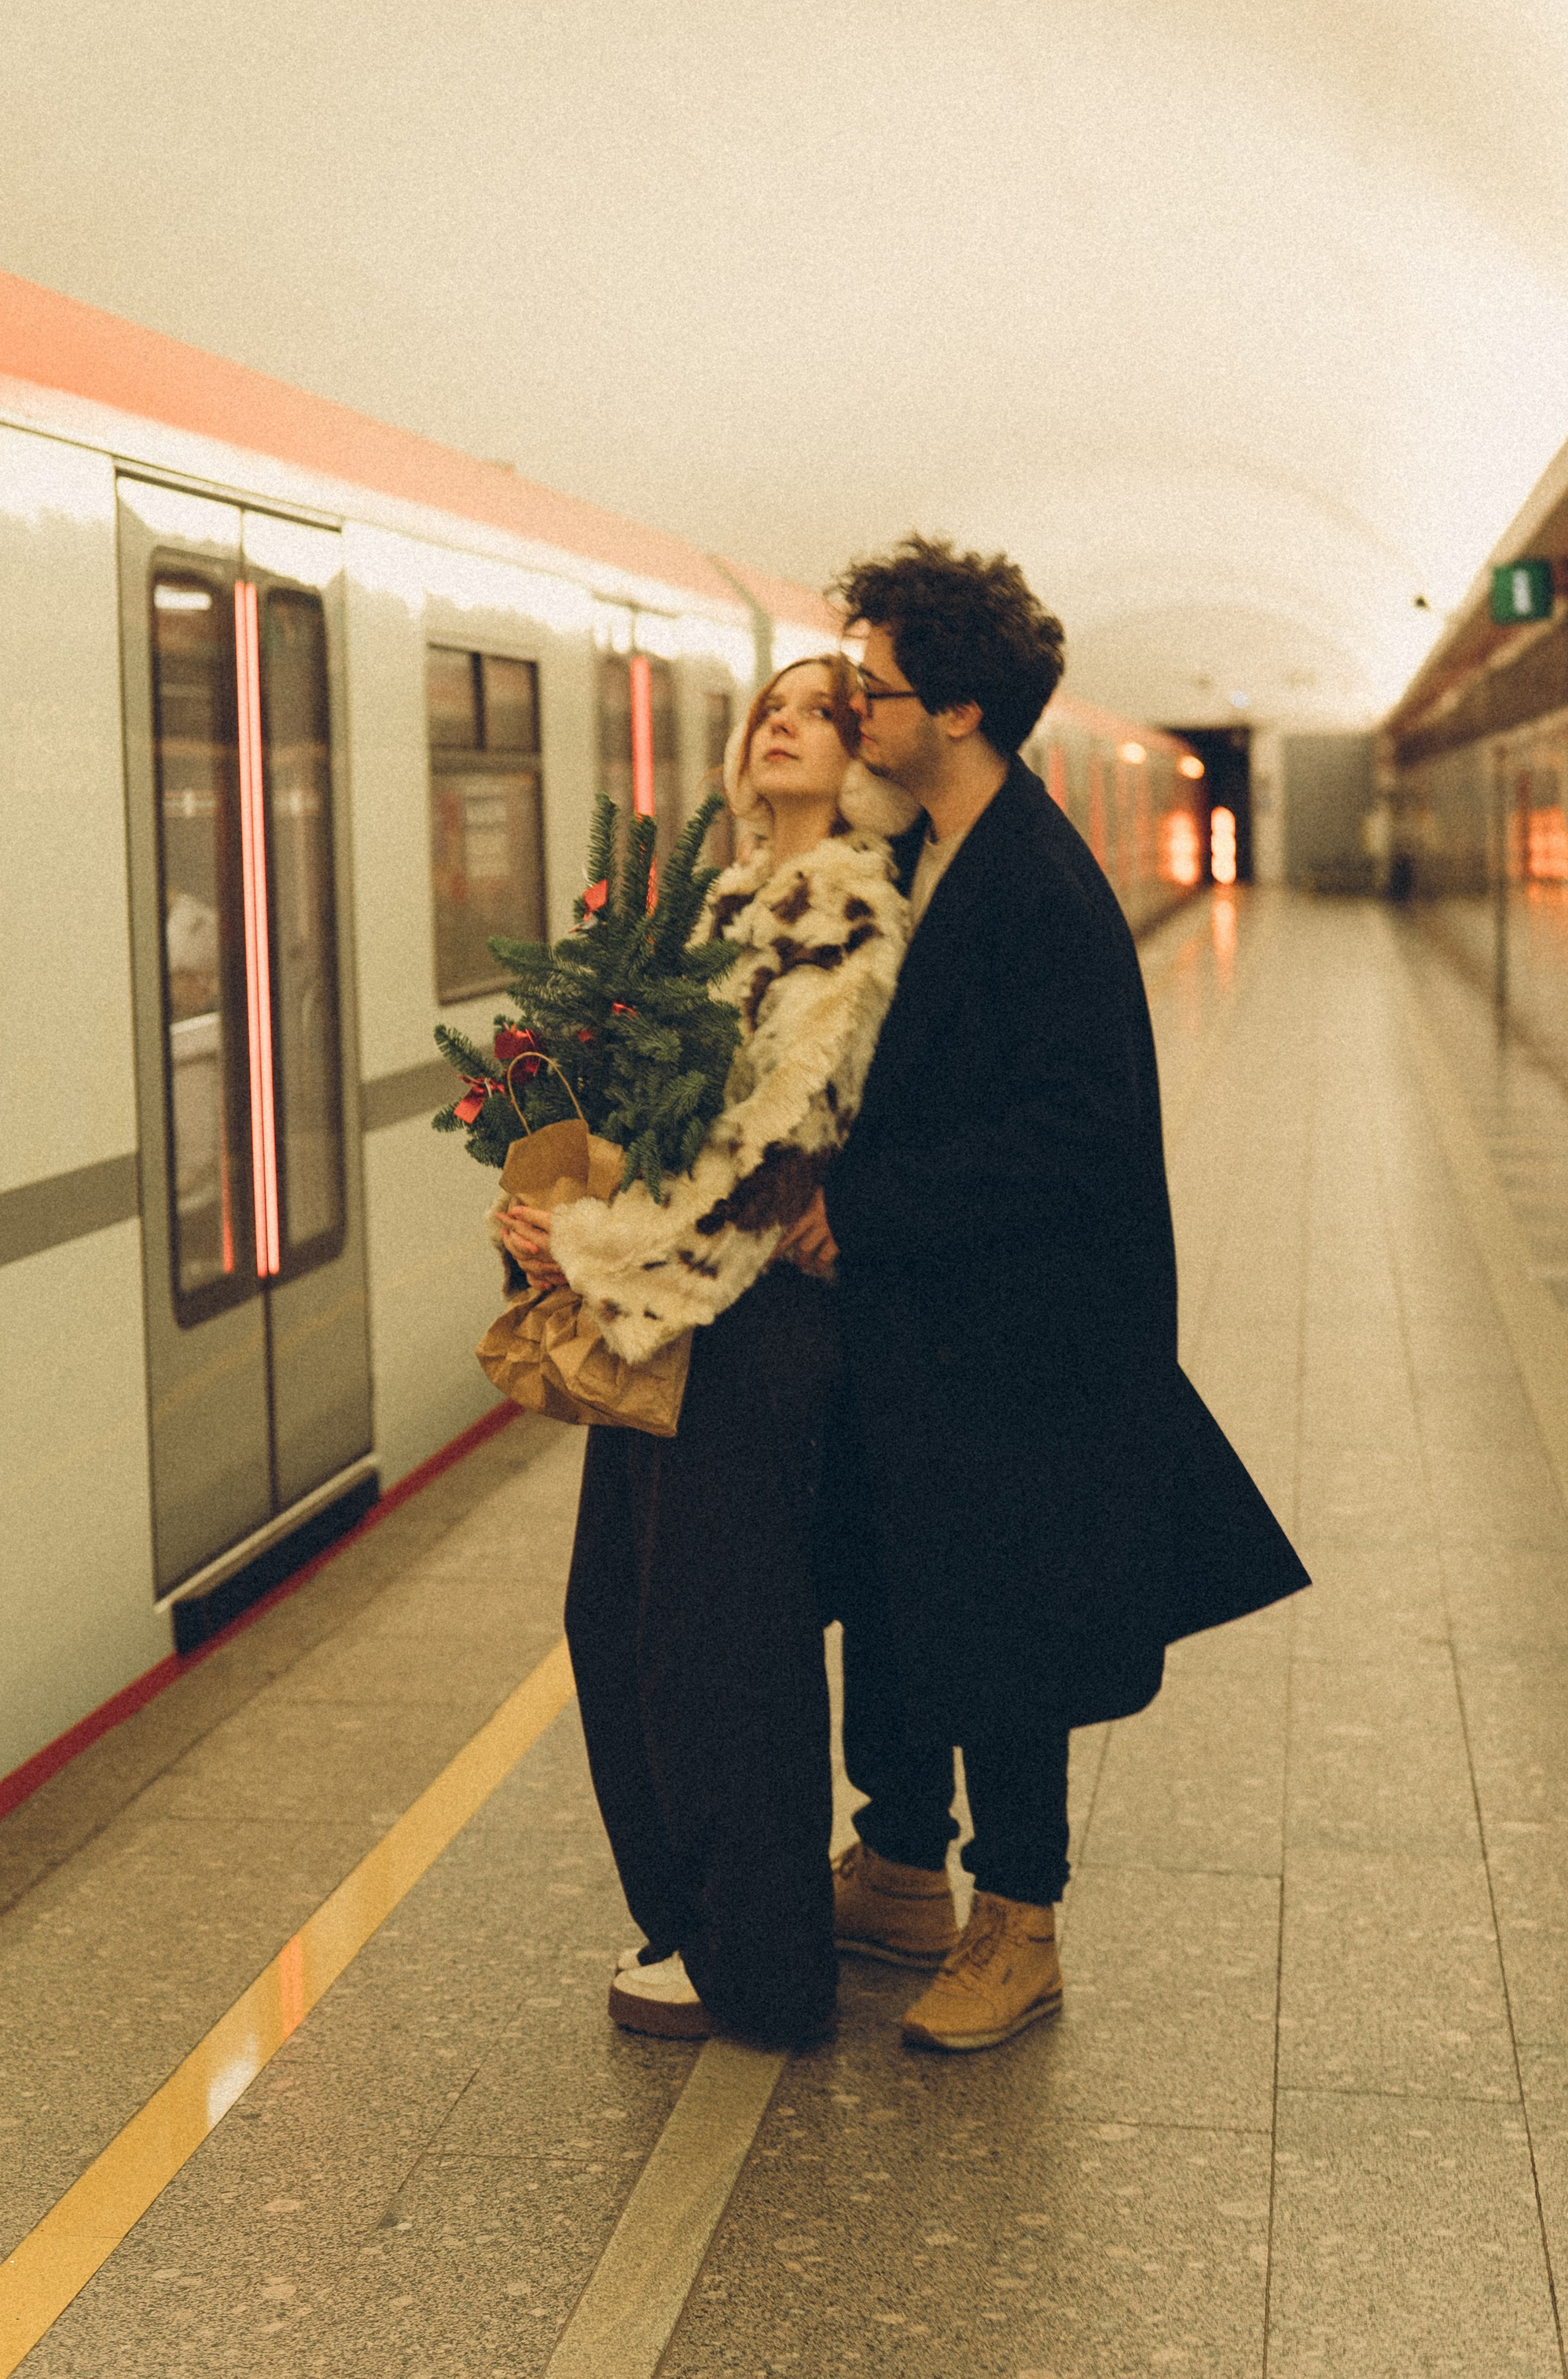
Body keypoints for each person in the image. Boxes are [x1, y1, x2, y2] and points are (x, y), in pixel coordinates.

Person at [790, 535, 1309, 2053]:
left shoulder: (1040, 886)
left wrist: (864, 1214)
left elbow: (1076, 1134)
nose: (854, 710)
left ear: (956, 709)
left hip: (1021, 1337)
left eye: (872, 688)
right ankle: (899, 1867)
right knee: (896, 1596)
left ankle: (1022, 1923)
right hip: (932, 1321)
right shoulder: (923, 849)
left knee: (1000, 1631)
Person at [498, 656, 913, 2047]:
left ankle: (763, 1968)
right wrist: (551, 1208)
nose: (779, 719)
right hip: (671, 1316)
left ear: (865, 756)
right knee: (623, 1626)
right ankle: (694, 1918)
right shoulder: (721, 906)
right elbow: (645, 1112)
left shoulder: (846, 905)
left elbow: (777, 1145)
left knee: (722, 1651)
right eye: (770, 706)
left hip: (749, 1331)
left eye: (819, 708)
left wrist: (595, 1253)